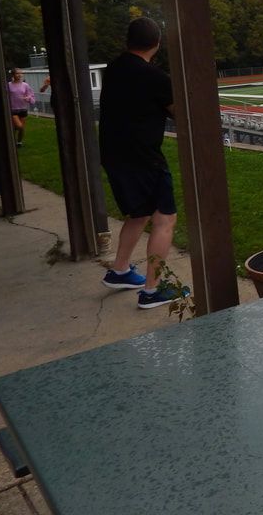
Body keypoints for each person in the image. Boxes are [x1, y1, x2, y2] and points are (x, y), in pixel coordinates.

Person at [98, 17, 184, 310]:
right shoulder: (155, 77)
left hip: (113, 154)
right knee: (165, 219)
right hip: (143, 158)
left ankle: (120, 270)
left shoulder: (113, 69)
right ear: (157, 44)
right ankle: (152, 289)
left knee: (138, 213)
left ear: (127, 41)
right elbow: (181, 113)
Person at [7, 68, 35, 147]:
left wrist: (28, 98)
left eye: (21, 73)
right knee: (20, 126)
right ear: (13, 75)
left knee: (20, 129)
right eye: (17, 73)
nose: (20, 75)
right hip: (13, 110)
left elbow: (31, 95)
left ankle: (19, 142)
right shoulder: (8, 85)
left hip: (23, 109)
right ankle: (12, 140)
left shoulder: (25, 85)